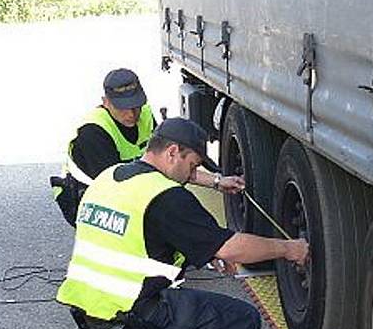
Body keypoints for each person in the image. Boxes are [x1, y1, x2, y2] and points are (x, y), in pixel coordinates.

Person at [56, 117, 309, 329]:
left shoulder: (111, 176)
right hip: (127, 312)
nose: (193, 173)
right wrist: (289, 249)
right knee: (244, 320)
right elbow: (233, 248)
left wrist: (206, 250)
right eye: (192, 165)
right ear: (172, 152)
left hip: (87, 306)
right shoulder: (164, 196)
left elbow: (143, 238)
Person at [51, 68, 241, 225]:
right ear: (105, 102)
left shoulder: (144, 116)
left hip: (127, 185)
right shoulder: (92, 132)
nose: (132, 114)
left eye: (136, 105)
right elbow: (117, 190)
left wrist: (217, 182)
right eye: (122, 107)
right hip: (88, 199)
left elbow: (170, 165)